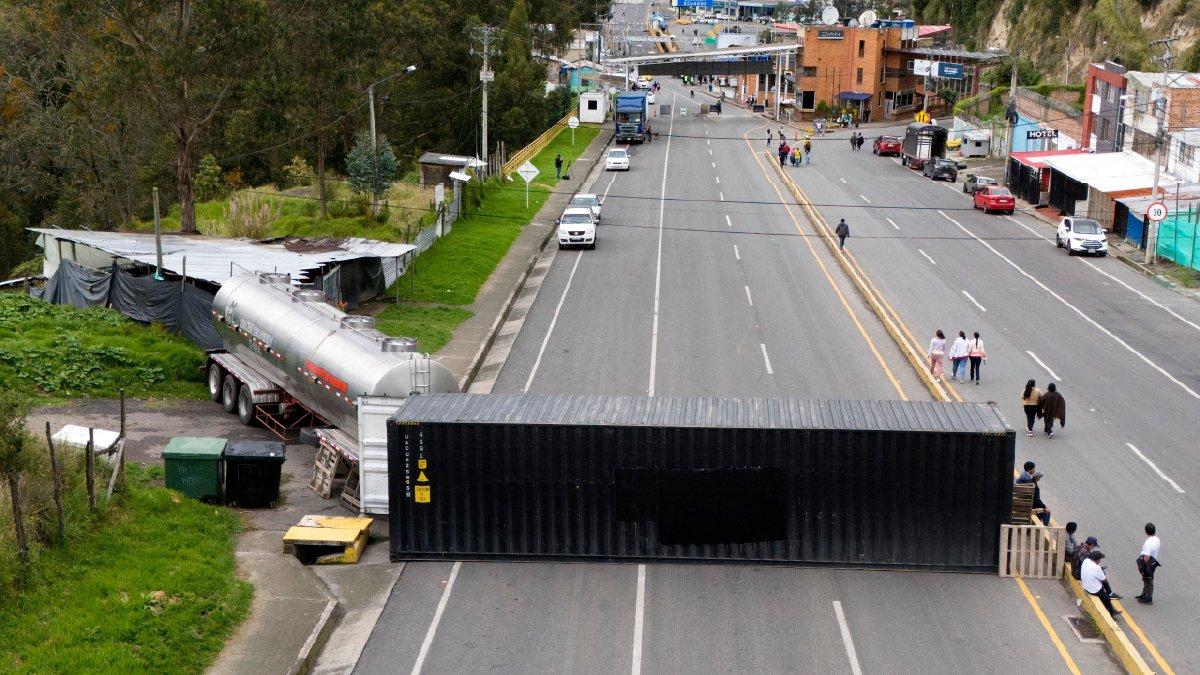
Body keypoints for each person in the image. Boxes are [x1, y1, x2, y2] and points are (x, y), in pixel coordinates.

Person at [1081, 549, 1121, 618]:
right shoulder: (1097, 568)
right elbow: (1104, 579)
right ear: (1097, 560)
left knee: (1103, 592)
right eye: (1100, 559)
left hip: (1085, 585)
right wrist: (1102, 572)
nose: (1100, 560)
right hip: (1093, 590)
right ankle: (1112, 612)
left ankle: (1108, 596)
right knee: (1106, 598)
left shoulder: (1086, 561)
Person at [1015, 460, 1051, 525]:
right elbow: (1036, 500)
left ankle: (1037, 525)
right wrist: (1045, 507)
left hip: (1021, 500)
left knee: (1040, 509)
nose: (1034, 469)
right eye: (1034, 468)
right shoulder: (1033, 485)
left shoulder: (1026, 478)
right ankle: (1044, 528)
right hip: (1027, 504)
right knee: (1047, 512)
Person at [1136, 522, 1161, 604]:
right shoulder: (1156, 539)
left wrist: (1144, 566)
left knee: (1148, 580)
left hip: (1148, 562)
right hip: (1152, 561)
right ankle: (1144, 594)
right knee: (1146, 579)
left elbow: (1146, 556)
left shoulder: (1148, 543)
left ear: (1146, 531)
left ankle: (1148, 597)